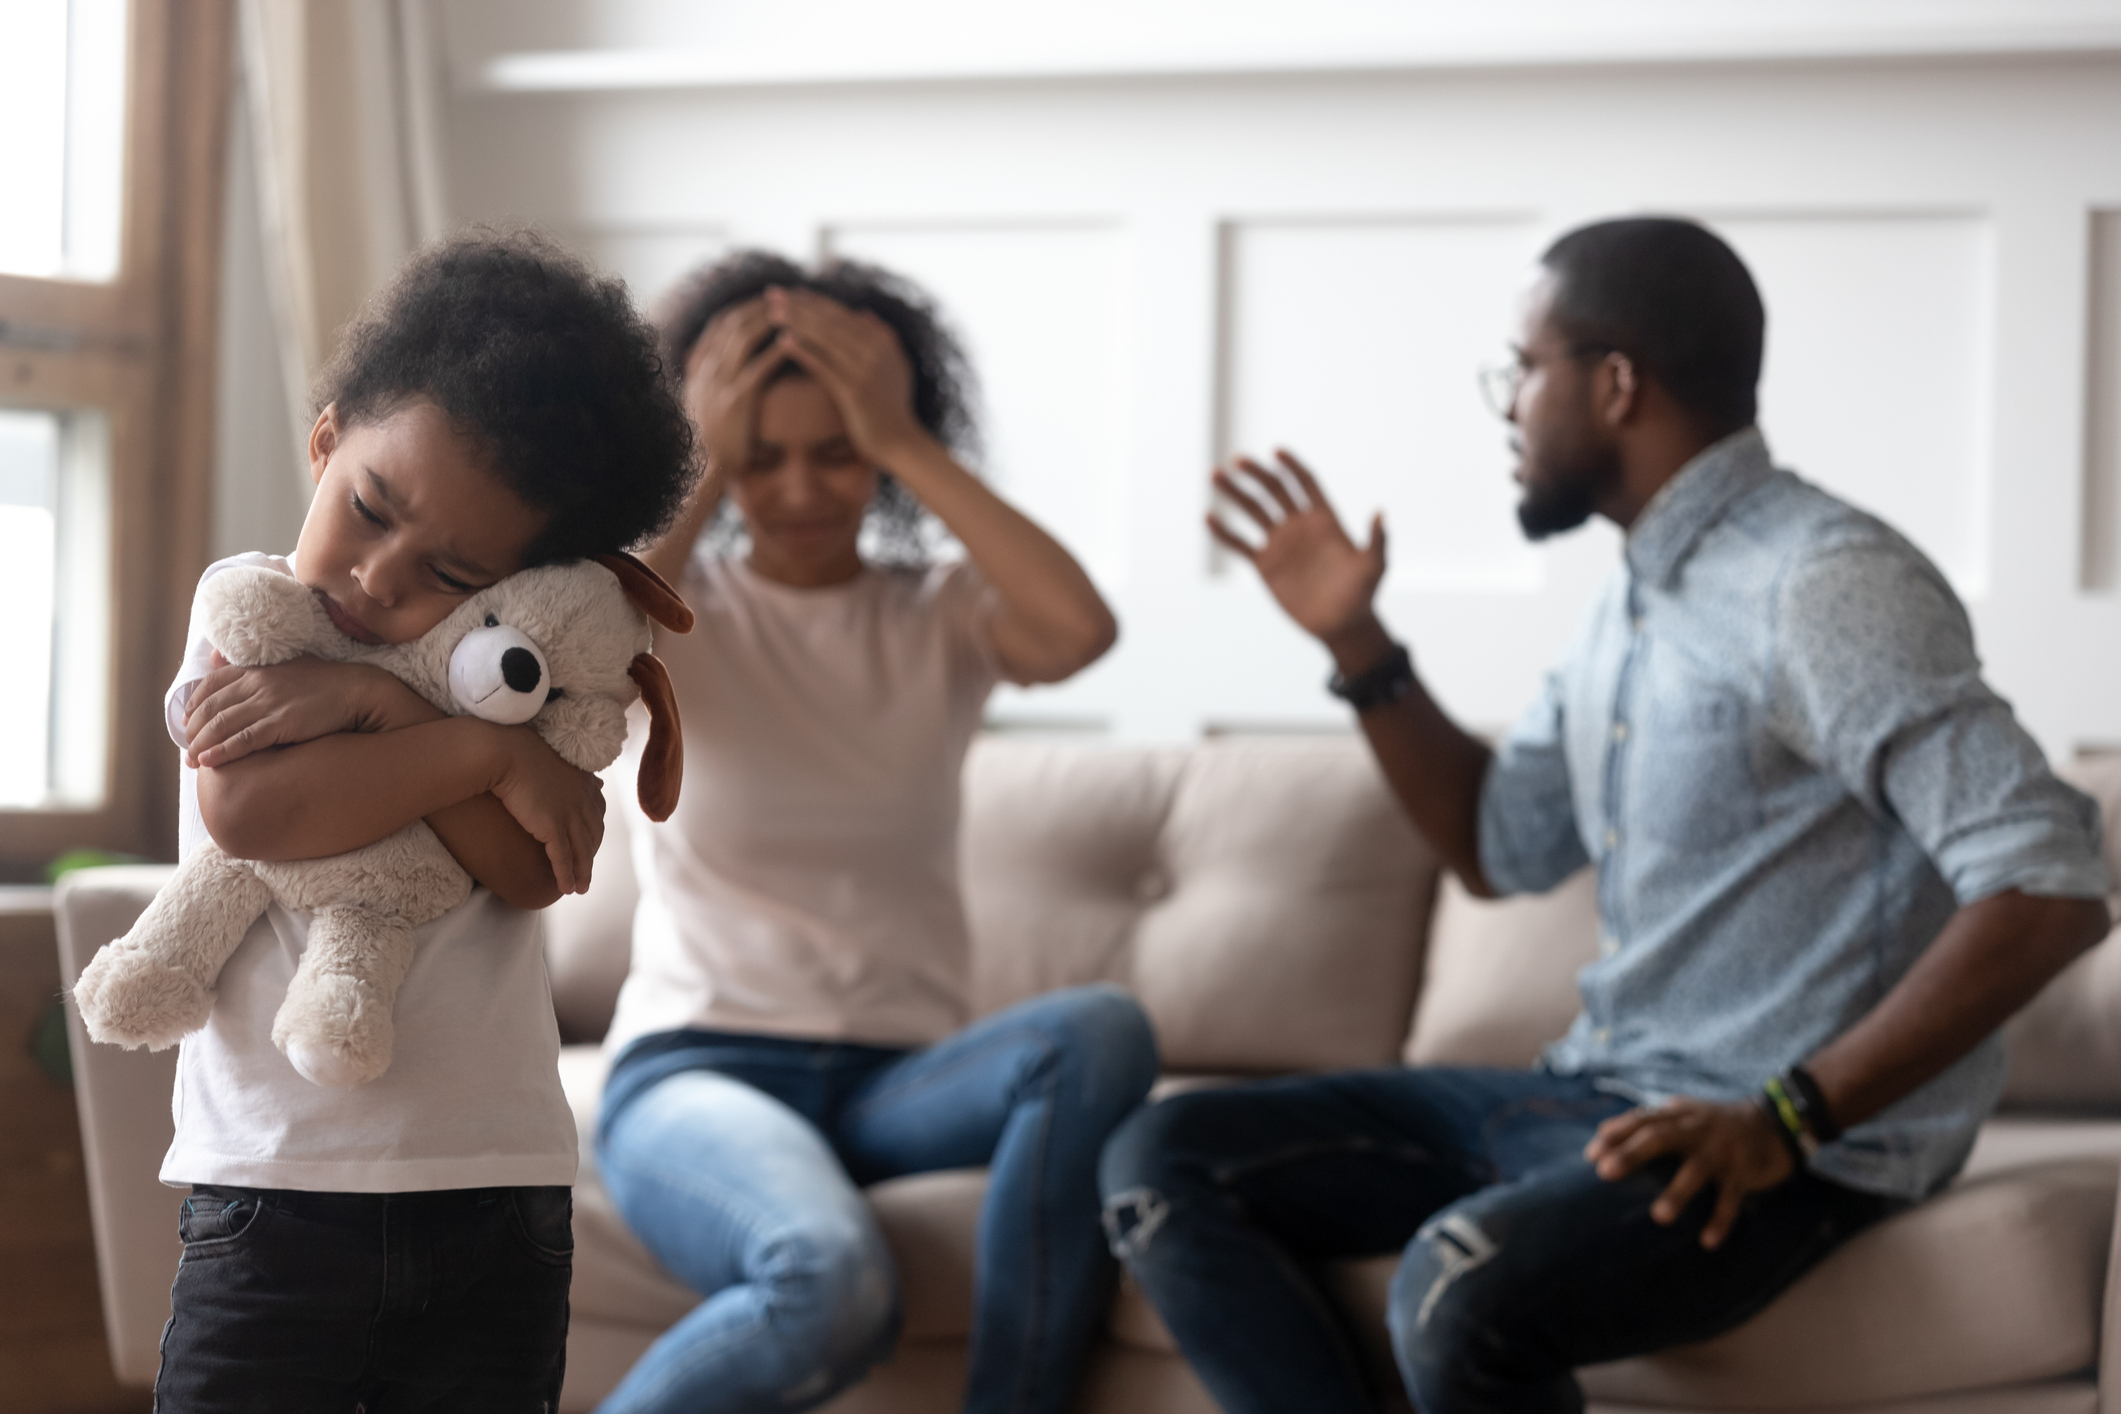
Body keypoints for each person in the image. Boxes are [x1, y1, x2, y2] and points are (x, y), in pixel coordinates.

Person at [1097, 216, 2112, 1413]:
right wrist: (1358, 646)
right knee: (1161, 1160)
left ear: (1616, 382)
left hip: (1793, 1146)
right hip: (1602, 1096)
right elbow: (1496, 846)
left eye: (1523, 370)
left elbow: (2050, 884)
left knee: (1457, 1287)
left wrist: (1788, 1116)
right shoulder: (1625, 601)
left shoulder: (1822, 580)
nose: (1510, 410)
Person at [592, 252, 1158, 1414]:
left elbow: (1081, 628)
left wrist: (899, 436)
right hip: (701, 1065)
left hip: (900, 1080)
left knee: (1097, 1031)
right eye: (762, 458)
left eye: (836, 450)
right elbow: (573, 660)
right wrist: (694, 459)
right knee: (831, 1281)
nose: (800, 487)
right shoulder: (673, 615)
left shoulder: (939, 616)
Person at [147, 231, 696, 1412]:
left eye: (451, 573)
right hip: (274, 1190)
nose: (383, 578)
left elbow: (530, 867)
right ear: (326, 439)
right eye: (369, 508)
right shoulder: (251, 609)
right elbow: (251, 808)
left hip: (496, 1191)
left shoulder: (521, 671)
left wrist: (392, 715)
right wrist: (466, 747)